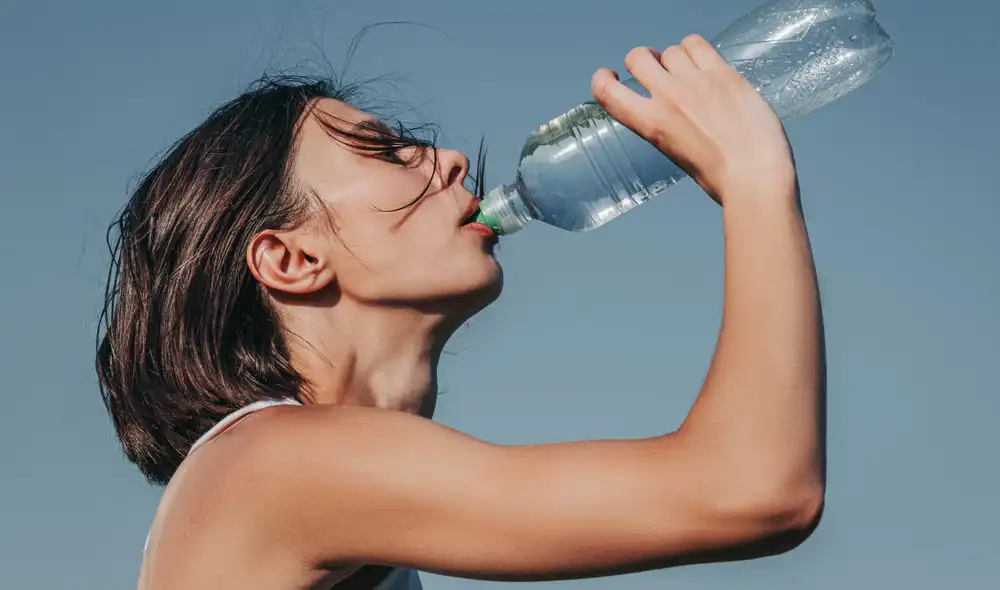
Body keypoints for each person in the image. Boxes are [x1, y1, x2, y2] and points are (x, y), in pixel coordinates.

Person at [98, 34, 825, 590]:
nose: (446, 159)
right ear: (291, 260)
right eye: (384, 152)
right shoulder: (275, 461)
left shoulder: (308, 481)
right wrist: (754, 180)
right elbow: (754, 490)